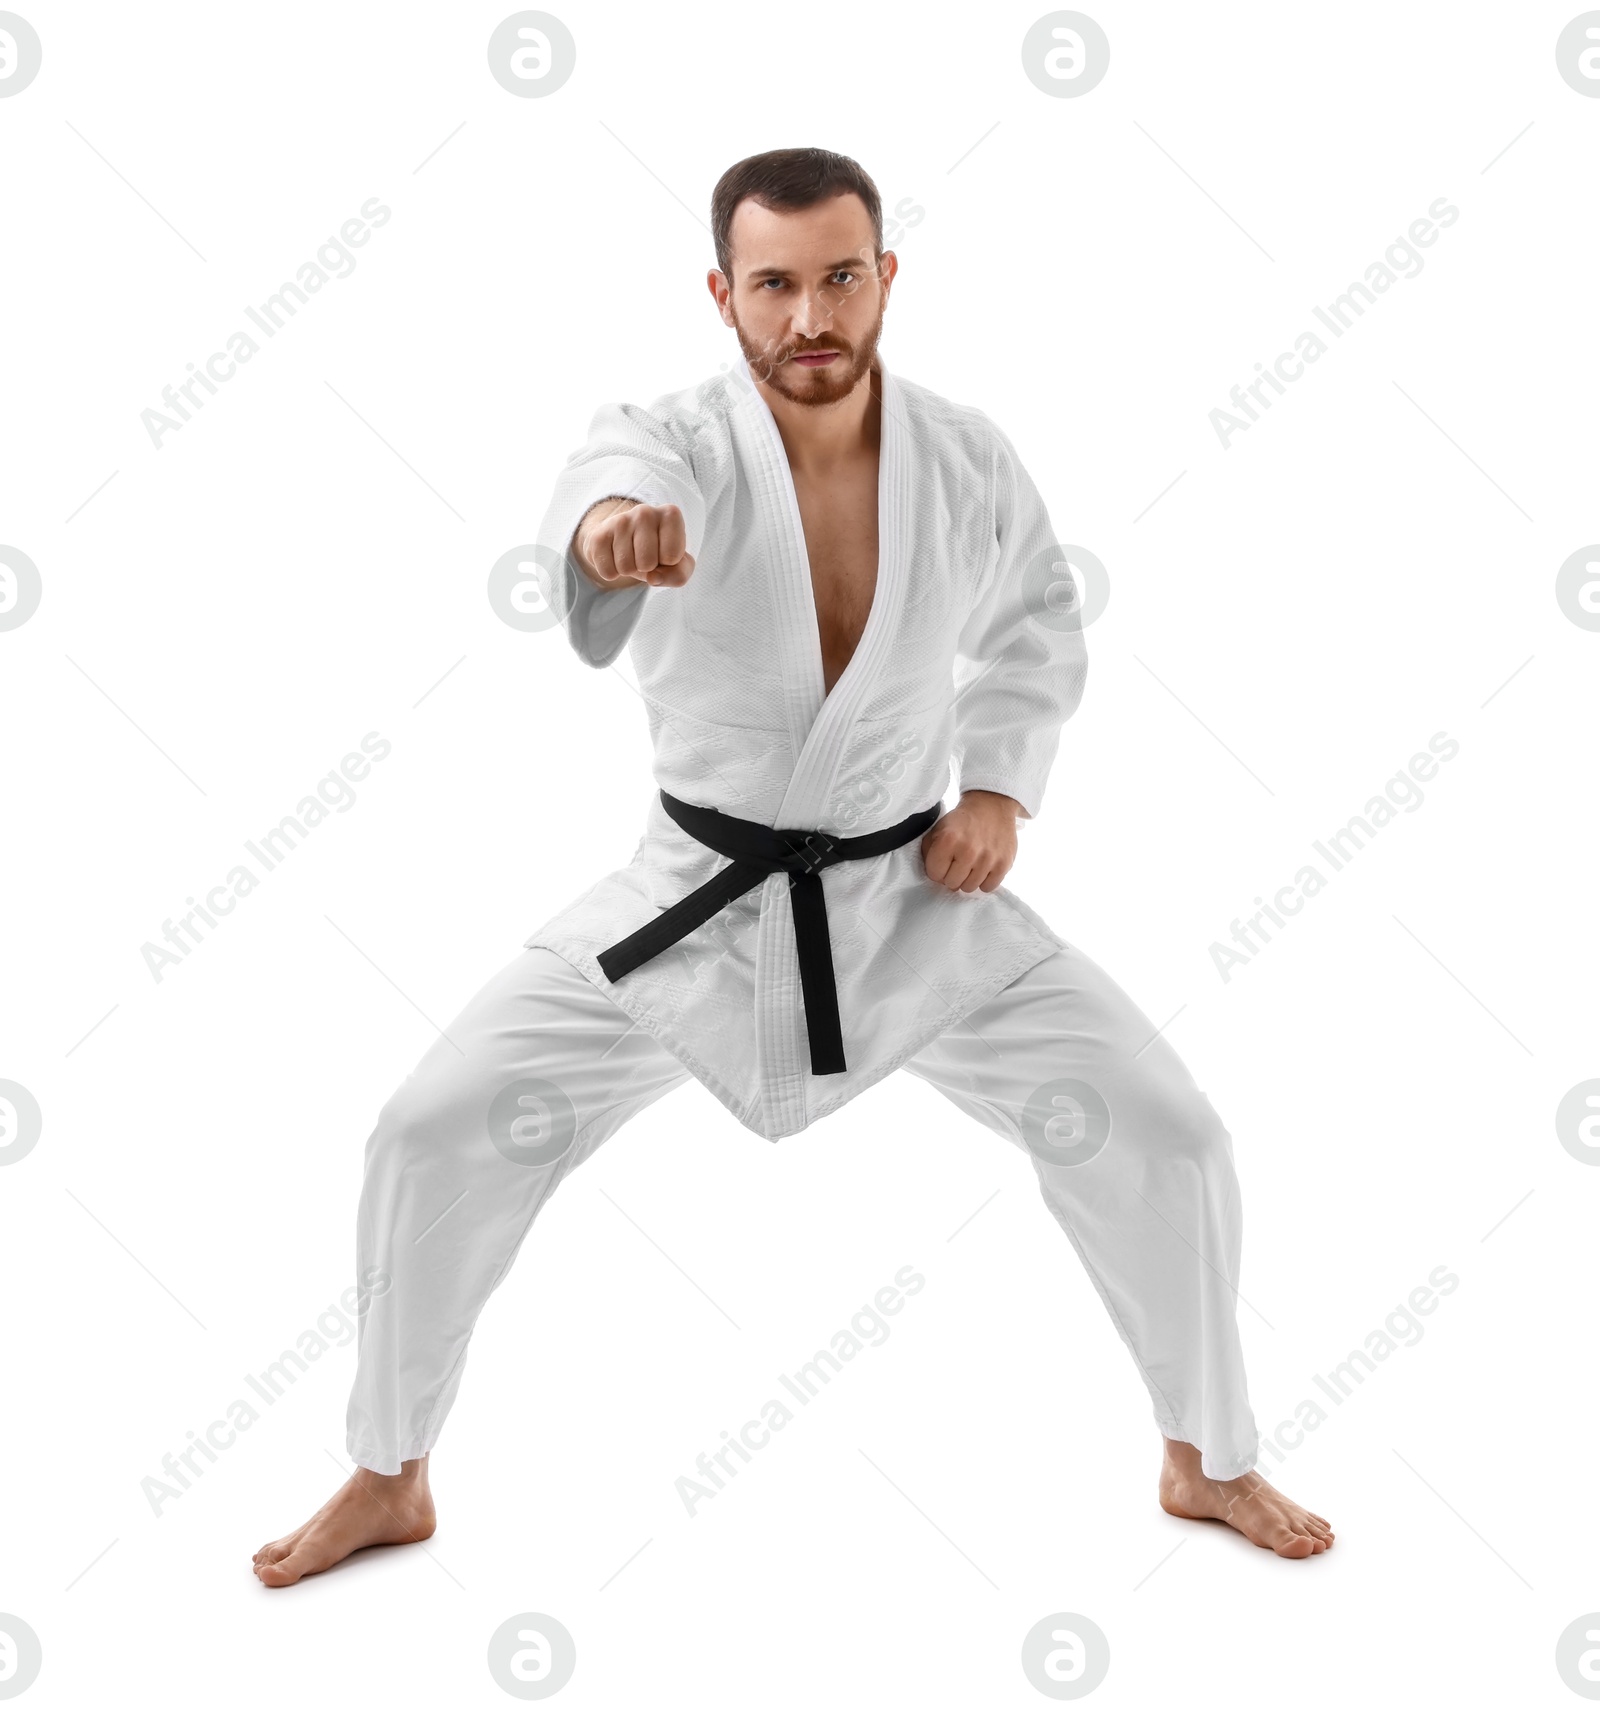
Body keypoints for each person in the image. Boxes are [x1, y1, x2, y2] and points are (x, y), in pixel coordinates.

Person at [252, 147, 1332, 1586]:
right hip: (690, 905)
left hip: (914, 899)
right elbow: (601, 485)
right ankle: (388, 1470)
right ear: (724, 294)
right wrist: (607, 535)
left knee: (1168, 1134)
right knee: (429, 1131)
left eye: (840, 277)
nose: (810, 315)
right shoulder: (670, 441)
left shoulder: (966, 453)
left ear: (887, 277)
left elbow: (1036, 617)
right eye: (775, 285)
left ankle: (1208, 1450)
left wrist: (1002, 787)